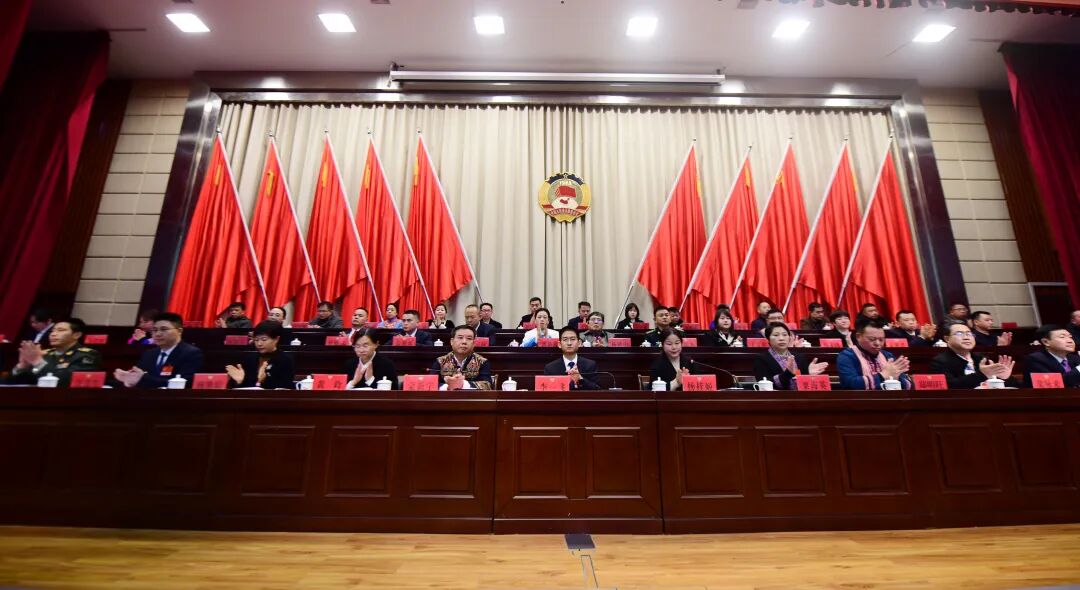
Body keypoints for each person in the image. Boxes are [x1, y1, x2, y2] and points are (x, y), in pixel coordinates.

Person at [114, 312, 204, 388]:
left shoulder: (191, 353)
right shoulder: (149, 354)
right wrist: (126, 378)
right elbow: (137, 378)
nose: (157, 334)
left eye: (164, 329)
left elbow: (184, 384)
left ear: (179, 331)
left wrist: (142, 378)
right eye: (154, 330)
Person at [8, 318, 102, 387]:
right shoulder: (45, 354)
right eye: (52, 331)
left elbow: (66, 381)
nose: (53, 334)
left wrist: (38, 362)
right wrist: (22, 366)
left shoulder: (88, 355)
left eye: (60, 330)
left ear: (76, 335)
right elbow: (11, 383)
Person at [929, 323, 1017, 389]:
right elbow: (950, 386)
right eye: (959, 334)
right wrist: (982, 374)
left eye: (969, 334)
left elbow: (1015, 387)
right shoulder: (939, 361)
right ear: (947, 339)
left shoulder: (982, 358)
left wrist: (1005, 378)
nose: (966, 337)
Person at [837, 318, 913, 390]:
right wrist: (883, 375)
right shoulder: (847, 356)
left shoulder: (888, 356)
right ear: (858, 336)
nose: (877, 343)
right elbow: (850, 384)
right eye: (872, 339)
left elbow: (909, 385)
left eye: (881, 339)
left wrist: (896, 378)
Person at [752, 323, 829, 390]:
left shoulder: (799, 357)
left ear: (789, 337)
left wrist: (809, 374)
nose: (781, 338)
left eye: (785, 335)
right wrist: (788, 373)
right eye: (776, 335)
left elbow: (804, 385)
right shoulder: (761, 359)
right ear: (768, 338)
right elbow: (765, 386)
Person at [225, 320, 296, 389]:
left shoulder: (285, 360)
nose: (259, 344)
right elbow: (241, 389)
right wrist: (238, 382)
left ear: (276, 339)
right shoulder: (249, 359)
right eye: (256, 340)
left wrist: (265, 380)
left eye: (264, 339)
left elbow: (286, 388)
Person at [431, 325, 493, 390]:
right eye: (460, 338)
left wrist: (463, 384)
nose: (464, 342)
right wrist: (448, 386)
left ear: (474, 343)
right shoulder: (440, 361)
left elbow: (487, 385)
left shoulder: (482, 362)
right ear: (452, 341)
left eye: (469, 338)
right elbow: (431, 383)